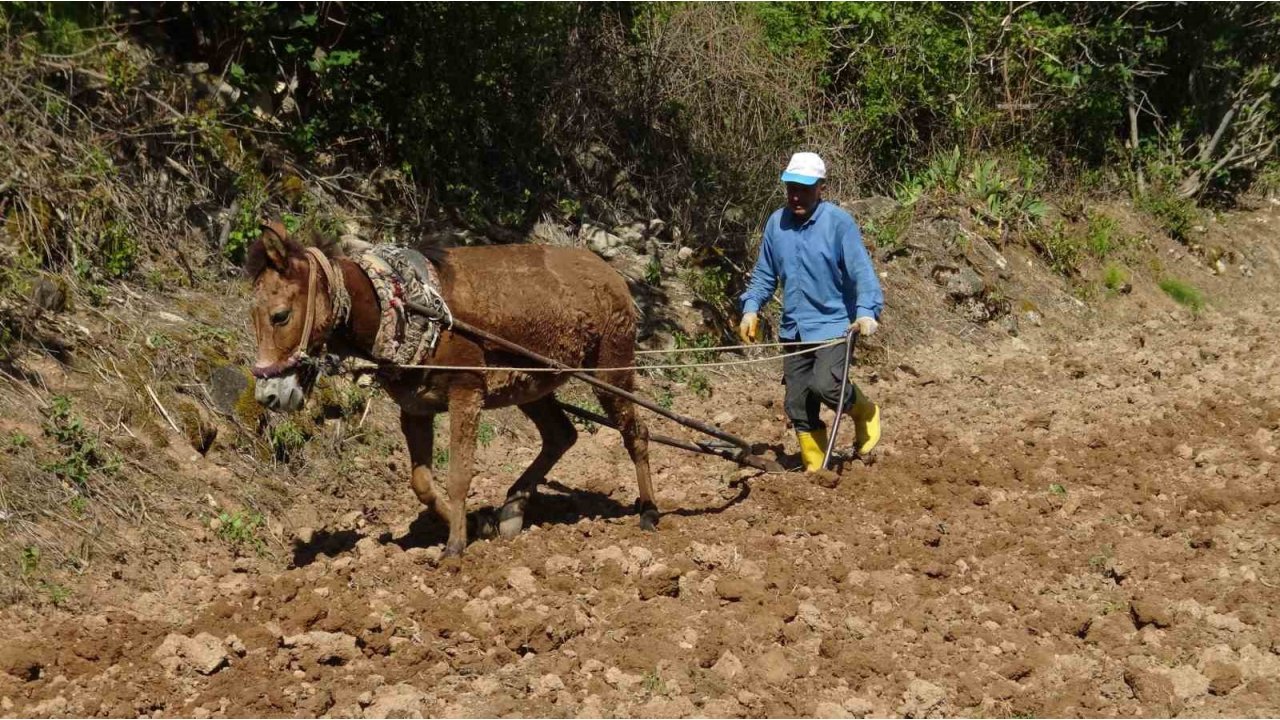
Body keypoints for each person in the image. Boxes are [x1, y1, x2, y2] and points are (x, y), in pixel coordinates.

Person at [738, 151, 884, 472]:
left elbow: (862, 271)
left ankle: (865, 412)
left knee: (827, 386)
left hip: (834, 325)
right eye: (791, 187)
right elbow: (764, 275)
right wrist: (751, 309)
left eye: (804, 189)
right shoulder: (777, 224)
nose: (796, 195)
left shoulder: (838, 224)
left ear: (820, 187)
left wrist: (866, 311)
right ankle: (816, 468)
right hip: (795, 329)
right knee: (797, 403)